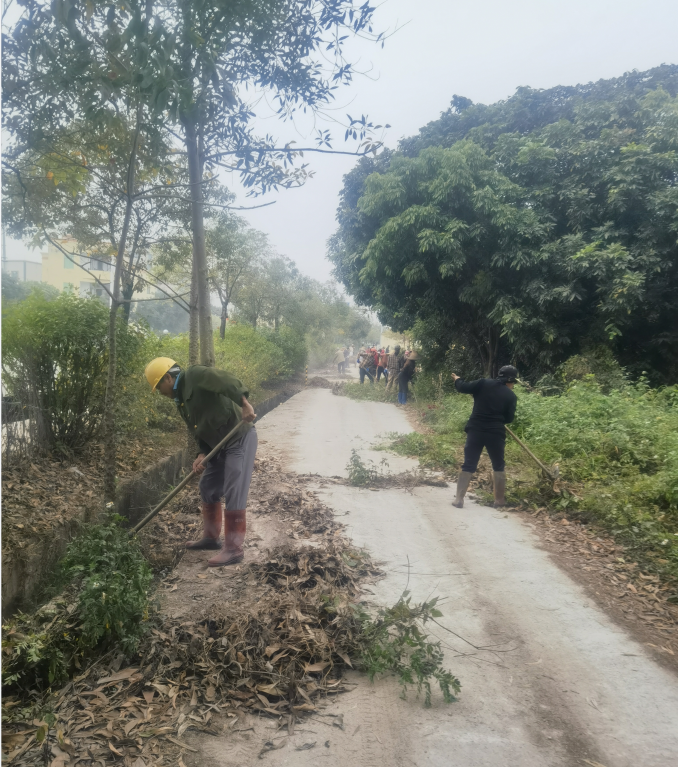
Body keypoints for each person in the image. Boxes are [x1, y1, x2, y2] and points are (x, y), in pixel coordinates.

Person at [144, 357, 257, 566]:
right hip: (217, 445)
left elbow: (226, 381)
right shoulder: (180, 400)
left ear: (168, 378)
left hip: (238, 437)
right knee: (207, 485)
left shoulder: (195, 376)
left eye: (159, 387)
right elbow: (197, 428)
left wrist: (244, 403)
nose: (160, 393)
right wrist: (202, 453)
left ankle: (233, 549)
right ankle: (211, 539)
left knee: (234, 488)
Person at [450, 365, 518, 509]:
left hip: (475, 431)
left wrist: (457, 379)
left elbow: (463, 387)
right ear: (510, 380)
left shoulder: (483, 383)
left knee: (469, 463)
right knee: (498, 465)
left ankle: (459, 500)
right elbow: (509, 419)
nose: (512, 386)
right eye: (513, 383)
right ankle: (499, 501)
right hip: (496, 433)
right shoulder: (511, 396)